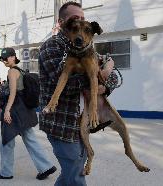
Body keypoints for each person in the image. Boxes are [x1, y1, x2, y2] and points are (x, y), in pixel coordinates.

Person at [39, 2, 118, 186]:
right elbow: (67, 83)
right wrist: (100, 73)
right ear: (62, 23)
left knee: (69, 174)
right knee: (75, 176)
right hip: (62, 124)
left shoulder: (87, 45)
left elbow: (115, 76)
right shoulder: (52, 47)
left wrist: (105, 85)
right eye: (75, 20)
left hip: (81, 122)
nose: (80, 25)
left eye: (83, 19)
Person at [0, 47, 56, 180]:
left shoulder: (12, 72)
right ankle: (46, 167)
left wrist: (7, 110)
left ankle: (6, 171)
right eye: (2, 59)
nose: (4, 61)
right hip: (24, 111)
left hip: (14, 110)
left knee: (6, 140)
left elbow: (13, 92)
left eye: (6, 57)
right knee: (30, 138)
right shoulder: (20, 71)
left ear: (13, 57)